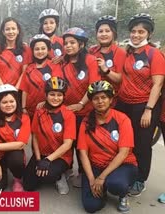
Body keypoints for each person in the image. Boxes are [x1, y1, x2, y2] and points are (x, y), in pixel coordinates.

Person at [116, 13, 165, 196]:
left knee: (142, 144)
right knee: (124, 141)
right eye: (134, 31)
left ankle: (140, 179)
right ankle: (124, 171)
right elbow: (122, 78)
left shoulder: (154, 54)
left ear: (149, 34)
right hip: (123, 104)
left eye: (141, 32)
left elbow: (158, 84)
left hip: (144, 105)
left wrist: (148, 110)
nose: (136, 35)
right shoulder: (128, 52)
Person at [78, 80, 138, 213]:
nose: (100, 101)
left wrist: (102, 177)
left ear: (111, 99)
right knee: (91, 206)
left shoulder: (122, 119)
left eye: (104, 97)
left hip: (123, 164)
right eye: (95, 98)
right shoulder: (86, 122)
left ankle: (123, 194)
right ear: (91, 102)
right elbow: (83, 153)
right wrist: (92, 179)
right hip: (96, 166)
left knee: (116, 184)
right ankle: (102, 190)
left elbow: (123, 153)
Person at [61, 27, 101, 187]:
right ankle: (66, 169)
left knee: (83, 144)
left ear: (82, 45)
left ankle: (83, 172)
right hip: (67, 111)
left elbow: (93, 85)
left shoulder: (90, 60)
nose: (68, 46)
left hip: (86, 110)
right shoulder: (62, 62)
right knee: (67, 141)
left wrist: (81, 104)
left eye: (72, 43)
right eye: (66, 43)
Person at [23, 77, 75, 195]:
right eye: (52, 94)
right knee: (28, 185)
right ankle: (44, 173)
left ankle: (59, 176)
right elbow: (35, 136)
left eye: (59, 95)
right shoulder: (39, 111)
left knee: (49, 175)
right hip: (41, 154)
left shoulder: (68, 114)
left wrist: (47, 160)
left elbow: (68, 145)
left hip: (61, 157)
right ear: (46, 95)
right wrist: (37, 159)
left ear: (64, 96)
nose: (56, 98)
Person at [0, 84, 30, 192]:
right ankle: (2, 168)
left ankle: (17, 179)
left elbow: (21, 144)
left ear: (16, 102)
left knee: (16, 158)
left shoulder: (24, 118)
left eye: (11, 101)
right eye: (4, 102)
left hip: (13, 153)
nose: (9, 105)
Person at [20, 34, 63, 118]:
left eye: (43, 48)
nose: (40, 51)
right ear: (32, 51)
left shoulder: (54, 66)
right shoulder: (29, 68)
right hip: (30, 111)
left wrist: (46, 102)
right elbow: (24, 90)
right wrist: (23, 107)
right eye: (37, 49)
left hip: (47, 109)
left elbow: (56, 88)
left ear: (48, 50)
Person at [0, 17, 32, 90]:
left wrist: (16, 89)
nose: (11, 32)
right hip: (0, 89)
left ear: (18, 31)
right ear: (3, 32)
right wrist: (3, 89)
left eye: (13, 28)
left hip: (18, 89)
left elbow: (24, 72)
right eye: (7, 29)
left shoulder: (25, 49)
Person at [89, 15, 125, 98]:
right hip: (94, 96)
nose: (103, 34)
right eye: (100, 31)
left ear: (113, 33)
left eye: (107, 31)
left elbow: (119, 79)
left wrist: (105, 69)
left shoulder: (120, 52)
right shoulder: (92, 50)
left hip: (112, 98)